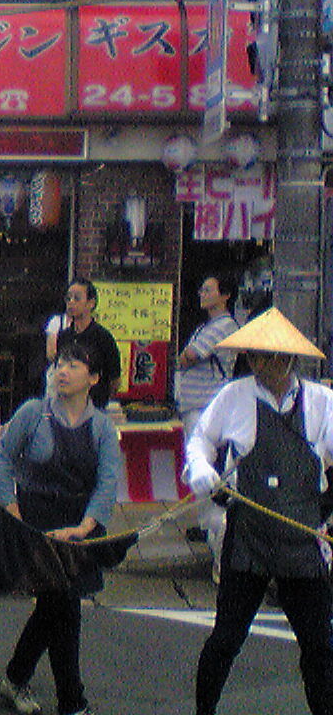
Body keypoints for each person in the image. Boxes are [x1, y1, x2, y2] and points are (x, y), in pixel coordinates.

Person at [183, 308, 333, 715]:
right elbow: (201, 440)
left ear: (289, 359)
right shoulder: (234, 396)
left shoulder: (322, 402)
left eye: (268, 356)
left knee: (319, 646)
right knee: (226, 639)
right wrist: (201, 469)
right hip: (248, 536)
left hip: (302, 537)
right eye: (253, 356)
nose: (260, 364)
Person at [0, 342, 121, 715]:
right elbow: (4, 459)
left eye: (74, 366)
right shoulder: (33, 413)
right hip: (36, 524)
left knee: (56, 608)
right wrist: (12, 510)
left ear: (93, 378)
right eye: (60, 364)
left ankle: (18, 678)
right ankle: (71, 701)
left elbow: (107, 482)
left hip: (78, 527)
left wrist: (85, 526)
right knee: (63, 607)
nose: (62, 371)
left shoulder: (102, 426)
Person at [173, 272, 240, 555]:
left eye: (208, 290)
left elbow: (189, 356)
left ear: (225, 296)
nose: (202, 294)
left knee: (205, 464)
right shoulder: (209, 325)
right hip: (197, 404)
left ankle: (215, 525)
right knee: (201, 465)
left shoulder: (223, 325)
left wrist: (183, 358)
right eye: (202, 289)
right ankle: (206, 523)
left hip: (206, 406)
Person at [55, 279, 122, 410]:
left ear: (91, 303)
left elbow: (115, 379)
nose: (71, 303)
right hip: (67, 406)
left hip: (95, 406)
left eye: (77, 298)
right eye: (68, 298)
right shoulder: (64, 336)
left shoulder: (103, 337)